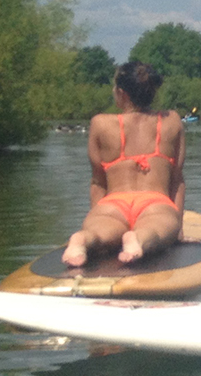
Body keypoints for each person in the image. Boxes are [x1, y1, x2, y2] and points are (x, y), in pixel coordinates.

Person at [61, 62, 185, 267]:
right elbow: (177, 180)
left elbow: (98, 182)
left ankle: (83, 240)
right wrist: (176, 230)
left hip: (113, 204)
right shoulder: (171, 120)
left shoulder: (100, 123)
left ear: (121, 92)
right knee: (154, 231)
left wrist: (97, 215)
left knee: (99, 232)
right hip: (155, 204)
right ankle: (138, 239)